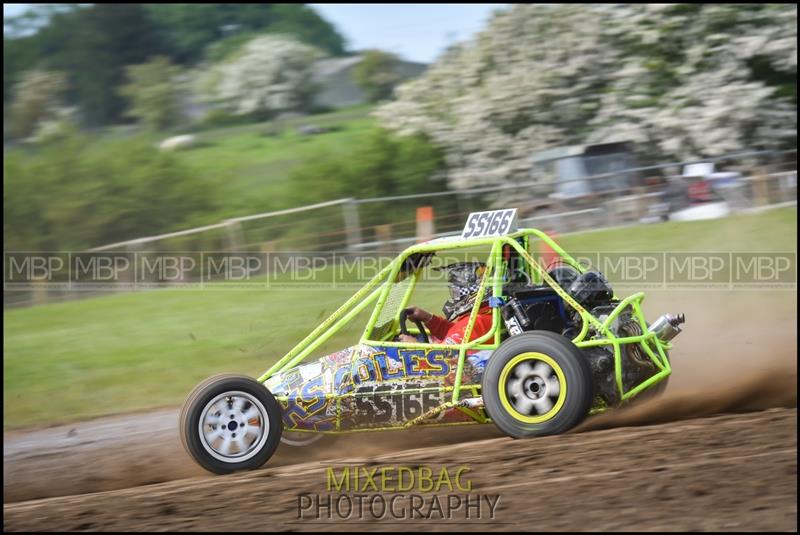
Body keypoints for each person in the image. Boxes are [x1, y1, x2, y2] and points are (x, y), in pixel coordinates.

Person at [398, 262, 493, 345]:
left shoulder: (475, 322)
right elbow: (457, 334)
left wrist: (414, 345)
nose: (455, 297)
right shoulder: (486, 315)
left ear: (472, 291)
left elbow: (446, 356)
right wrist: (428, 318)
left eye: (457, 292)